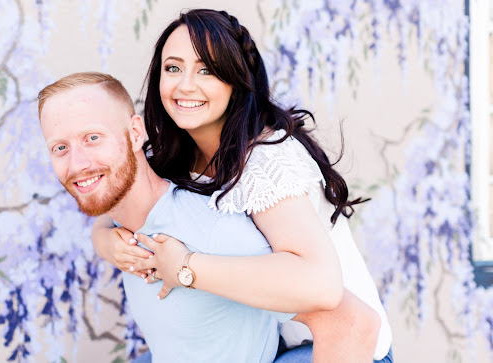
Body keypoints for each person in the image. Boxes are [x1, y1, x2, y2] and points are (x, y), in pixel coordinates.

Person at [91, 9, 393, 362]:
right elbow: (113, 213)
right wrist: (107, 242)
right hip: (256, 339)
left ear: (234, 80)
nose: (185, 85)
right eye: (173, 68)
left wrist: (186, 266)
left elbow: (322, 286)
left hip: (333, 345)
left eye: (206, 70)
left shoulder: (265, 158)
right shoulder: (176, 155)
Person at [38, 72, 378, 363]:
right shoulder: (122, 226)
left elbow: (353, 323)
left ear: (136, 133)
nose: (77, 164)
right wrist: (103, 239)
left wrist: (186, 267)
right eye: (60, 148)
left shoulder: (212, 233)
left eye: (92, 138)